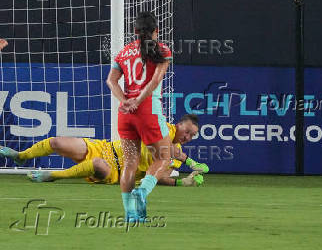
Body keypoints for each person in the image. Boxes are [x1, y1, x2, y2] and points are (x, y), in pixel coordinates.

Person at [0, 115, 207, 186]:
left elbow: (158, 177)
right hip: (105, 148)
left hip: (116, 171)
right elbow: (161, 144)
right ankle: (21, 156)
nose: (187, 137)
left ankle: (53, 176)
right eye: (187, 131)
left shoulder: (175, 157)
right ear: (179, 125)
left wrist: (183, 182)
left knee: (98, 165)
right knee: (56, 143)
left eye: (192, 136)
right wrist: (189, 161)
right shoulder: (165, 130)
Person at [106, 12, 176, 221]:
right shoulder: (162, 50)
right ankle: (142, 191)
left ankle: (130, 214)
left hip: (126, 115)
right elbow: (154, 82)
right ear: (157, 31)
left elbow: (111, 81)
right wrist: (138, 100)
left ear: (135, 31)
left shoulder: (124, 53)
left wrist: (125, 101)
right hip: (147, 112)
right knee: (163, 157)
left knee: (129, 163)